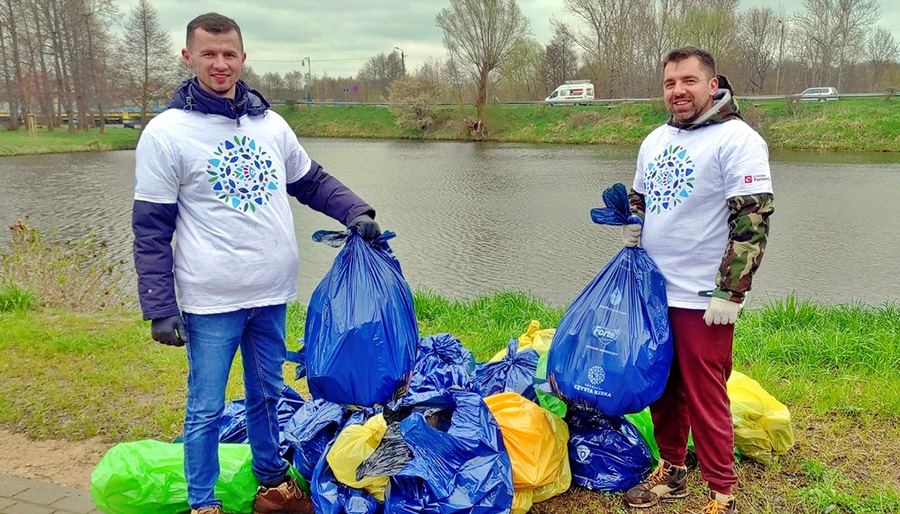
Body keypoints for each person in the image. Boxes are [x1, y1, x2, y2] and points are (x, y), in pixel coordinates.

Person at [131, 12, 381, 514]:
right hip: (211, 299)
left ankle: (273, 487)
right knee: (206, 407)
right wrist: (159, 305)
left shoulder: (270, 124)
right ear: (189, 58)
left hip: (271, 293)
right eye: (208, 54)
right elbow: (151, 228)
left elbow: (311, 181)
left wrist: (356, 210)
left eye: (229, 54)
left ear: (243, 58)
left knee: (268, 393)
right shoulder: (166, 133)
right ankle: (203, 503)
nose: (220, 64)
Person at [621, 46, 774, 514]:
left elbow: (753, 222)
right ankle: (673, 470)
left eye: (688, 81)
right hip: (653, 290)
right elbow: (643, 200)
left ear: (712, 85)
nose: (677, 91)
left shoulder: (738, 140)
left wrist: (732, 291)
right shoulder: (654, 140)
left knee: (705, 394)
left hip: (704, 296)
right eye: (670, 83)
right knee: (662, 386)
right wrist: (629, 218)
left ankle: (721, 492)